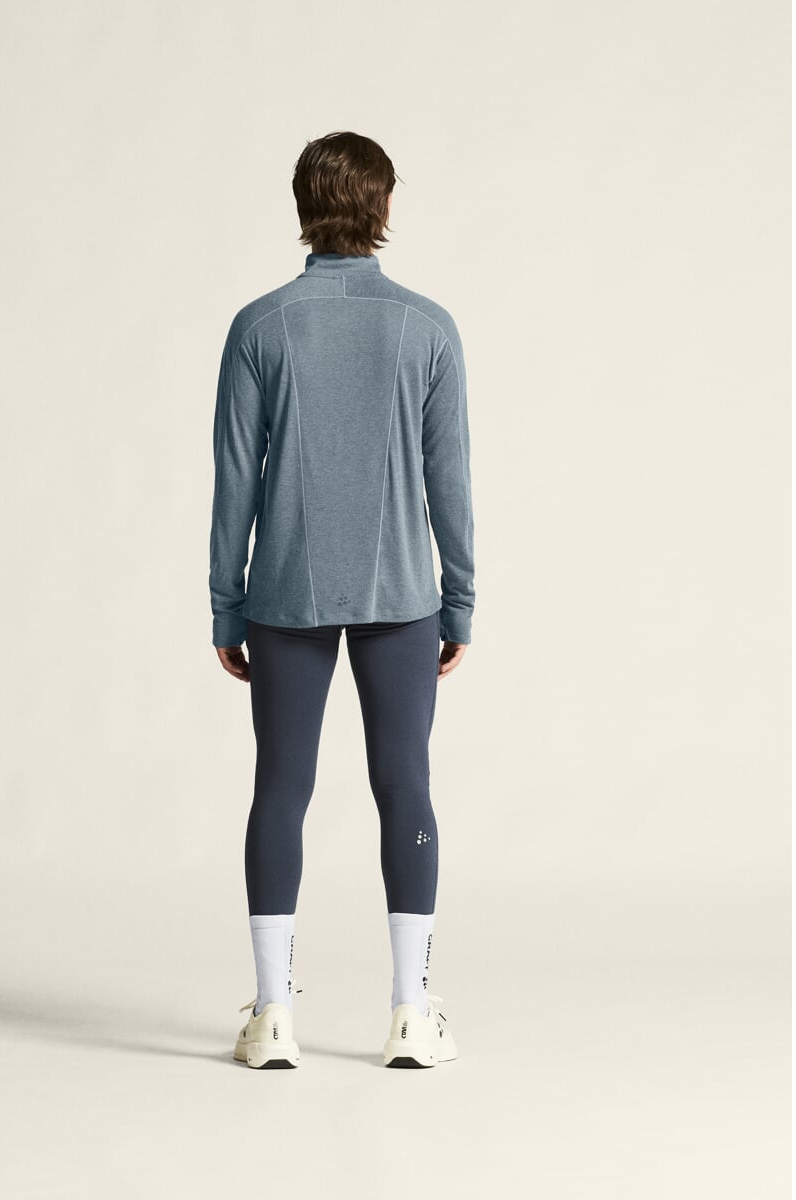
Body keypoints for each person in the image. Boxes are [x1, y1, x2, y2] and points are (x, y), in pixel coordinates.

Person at [208, 131, 475, 1068]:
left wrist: (226, 605)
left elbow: (233, 481)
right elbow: (450, 480)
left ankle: (273, 1016)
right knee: (405, 785)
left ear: (302, 207)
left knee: (281, 789)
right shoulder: (427, 327)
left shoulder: (260, 326)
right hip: (403, 592)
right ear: (385, 206)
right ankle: (411, 1013)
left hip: (285, 592)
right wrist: (460, 600)